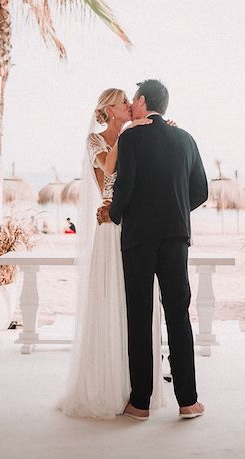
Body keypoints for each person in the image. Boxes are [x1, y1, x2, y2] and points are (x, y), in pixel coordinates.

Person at [98, 79, 208, 421]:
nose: (132, 105)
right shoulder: (186, 139)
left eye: (134, 100)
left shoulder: (131, 137)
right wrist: (174, 210)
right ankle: (188, 401)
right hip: (176, 237)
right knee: (178, 316)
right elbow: (201, 191)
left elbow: (126, 185)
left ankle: (140, 403)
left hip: (139, 238)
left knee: (140, 317)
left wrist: (114, 214)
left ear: (143, 101)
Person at [58, 88, 165, 419]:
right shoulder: (96, 141)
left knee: (138, 303)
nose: (129, 106)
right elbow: (108, 169)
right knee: (111, 300)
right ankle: (107, 385)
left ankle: (138, 386)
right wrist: (129, 135)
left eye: (129, 102)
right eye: (122, 102)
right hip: (111, 225)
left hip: (137, 225)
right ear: (109, 109)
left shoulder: (139, 135)